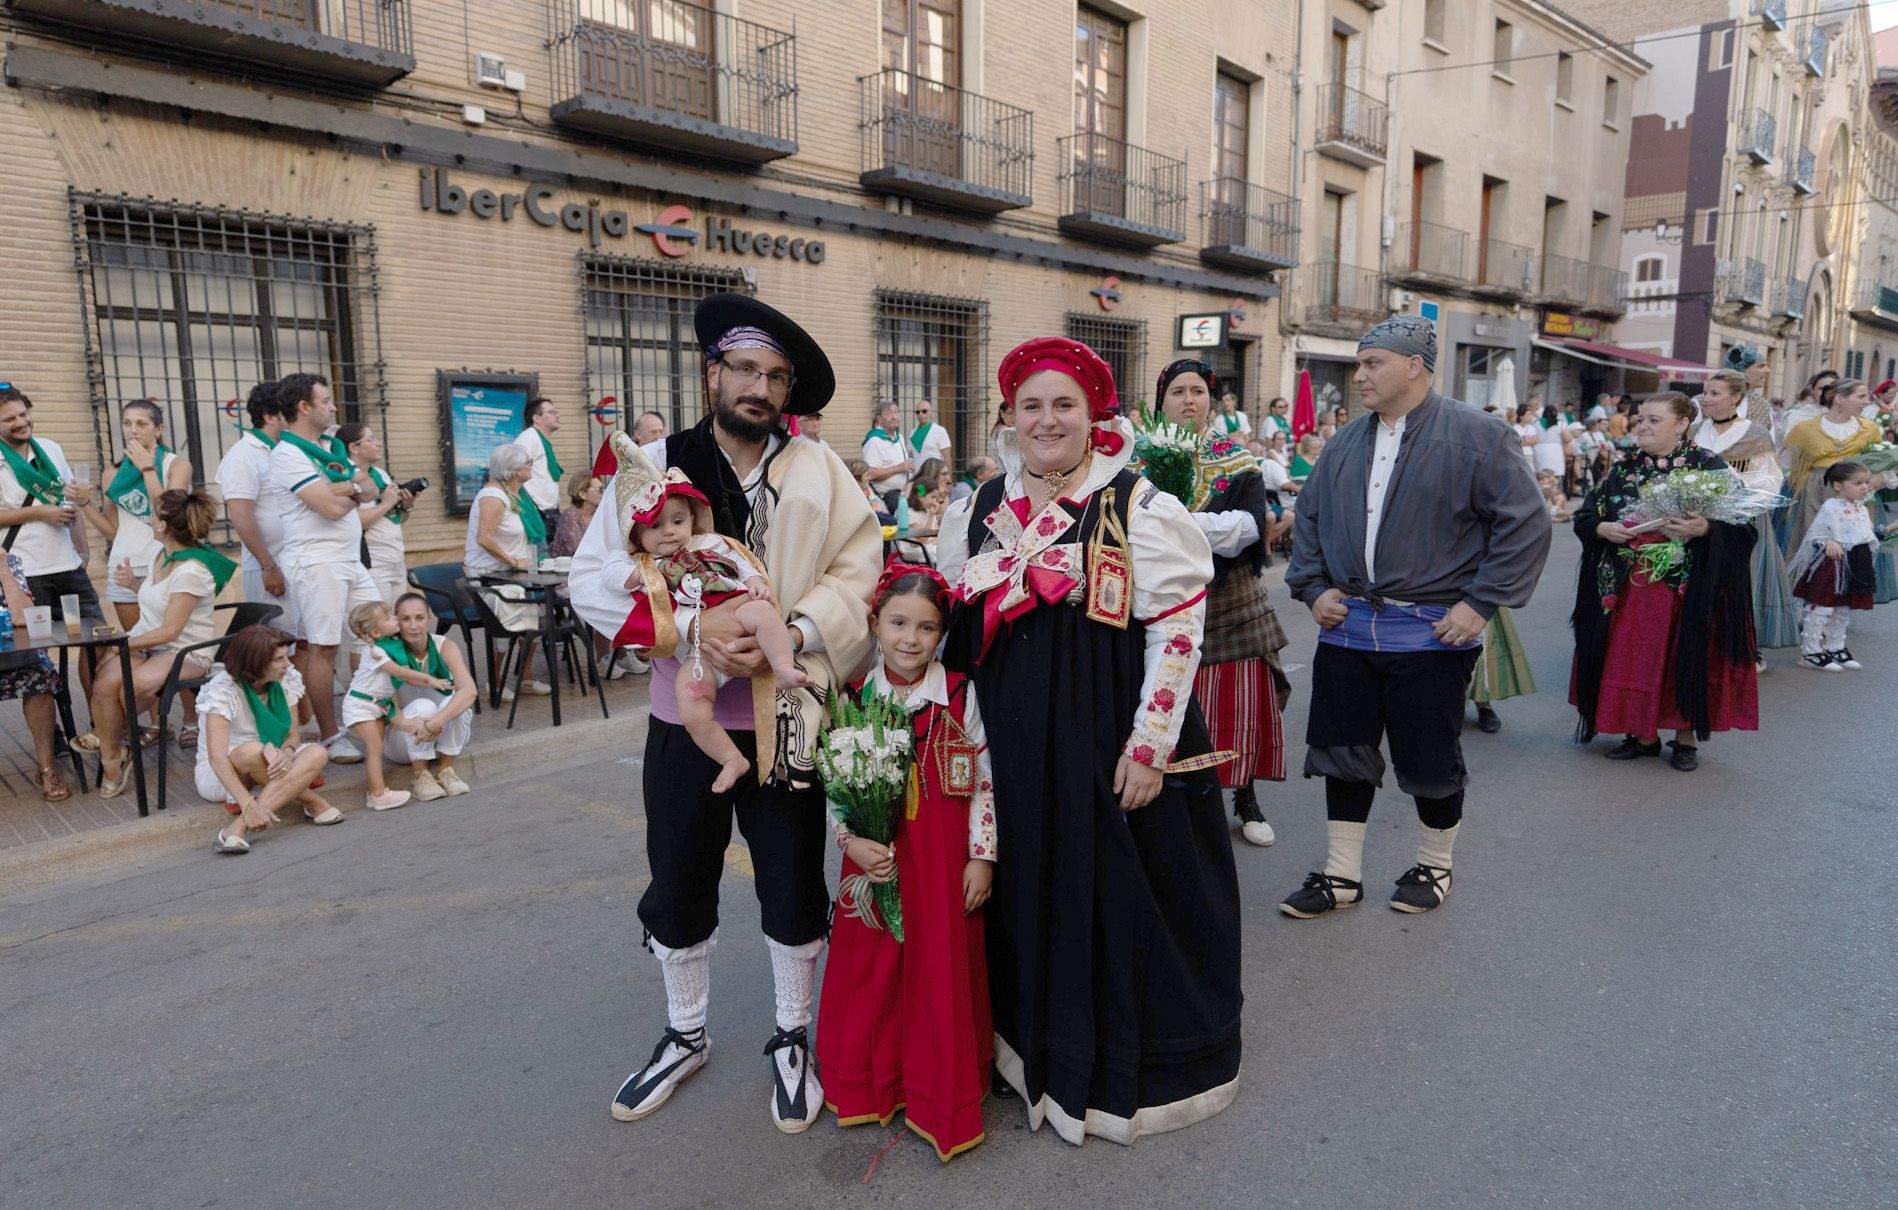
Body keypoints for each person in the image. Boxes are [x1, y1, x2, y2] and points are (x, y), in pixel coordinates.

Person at [570, 294, 879, 1132]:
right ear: (714, 373)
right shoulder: (656, 464)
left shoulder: (821, 468)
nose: (760, 387)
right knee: (678, 875)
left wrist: (803, 629)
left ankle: (792, 1035)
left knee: (789, 881)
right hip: (687, 720)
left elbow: (860, 567)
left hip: (786, 722)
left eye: (776, 377)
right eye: (745, 369)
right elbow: (593, 575)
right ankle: (686, 1033)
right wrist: (693, 637)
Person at [936, 336, 1239, 1148]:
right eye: (1030, 405)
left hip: (1108, 738)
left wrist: (1150, 745)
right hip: (1013, 744)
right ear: (1008, 416)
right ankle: (1028, 1053)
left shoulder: (1138, 504)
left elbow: (1178, 627)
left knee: (1117, 895)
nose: (1047, 420)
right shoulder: (977, 506)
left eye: (1063, 404)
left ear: (1093, 413)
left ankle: (1109, 1076)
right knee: (1029, 891)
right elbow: (956, 634)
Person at [1282, 315, 1551, 918]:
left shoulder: (1478, 435)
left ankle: (1434, 866)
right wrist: (1313, 587)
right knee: (1343, 751)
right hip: (1348, 630)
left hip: (1431, 636)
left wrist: (1481, 603)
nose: (1360, 376)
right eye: (1359, 363)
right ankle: (1341, 875)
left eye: (1372, 363)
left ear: (1414, 366)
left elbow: (1525, 523)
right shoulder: (1345, 442)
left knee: (1429, 757)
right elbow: (1311, 521)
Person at [815, 561, 996, 1163]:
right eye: (897, 623)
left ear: (942, 633)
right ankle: (869, 1085)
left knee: (937, 969)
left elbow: (985, 784)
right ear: (874, 622)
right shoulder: (853, 695)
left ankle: (938, 1095)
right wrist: (851, 843)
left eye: (926, 627)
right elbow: (836, 786)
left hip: (943, 862)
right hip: (875, 860)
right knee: (873, 969)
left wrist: (981, 858)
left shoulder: (963, 696)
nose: (910, 639)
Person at [609, 438, 814, 794]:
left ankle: (782, 667)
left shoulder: (711, 544)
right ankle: (731, 758)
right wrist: (636, 572)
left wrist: (755, 585)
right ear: (637, 534)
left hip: (739, 610)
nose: (669, 531)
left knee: (764, 614)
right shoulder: (647, 565)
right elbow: (611, 580)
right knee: (690, 704)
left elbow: (746, 566)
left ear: (694, 518)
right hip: (701, 653)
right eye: (656, 526)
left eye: (678, 520)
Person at [1570, 392, 1758, 773]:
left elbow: (1744, 528)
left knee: (1681, 658)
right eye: (1640, 419)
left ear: (1682, 423)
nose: (1642, 426)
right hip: (1629, 587)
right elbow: (1587, 514)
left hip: (1685, 590)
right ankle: (1642, 735)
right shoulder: (1625, 467)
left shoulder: (1708, 466)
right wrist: (1602, 528)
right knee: (1633, 660)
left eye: (1654, 420)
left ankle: (1684, 738)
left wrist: (1705, 527)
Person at [1152, 358, 1288, 847]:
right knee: (1166, 701)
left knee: (1235, 703)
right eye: (1177, 392)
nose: (1189, 400)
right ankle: (1176, 798)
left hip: (1226, 598)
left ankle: (1245, 796)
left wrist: (1175, 526)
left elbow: (1249, 528)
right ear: (1161, 400)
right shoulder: (1133, 461)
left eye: (1198, 391)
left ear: (1211, 401)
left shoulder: (1238, 460)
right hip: (1157, 601)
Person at [75, 488, 230, 796]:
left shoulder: (191, 570)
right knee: (105, 683)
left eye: (152, 514)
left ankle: (108, 739)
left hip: (186, 650)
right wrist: (133, 584)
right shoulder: (161, 556)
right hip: (150, 643)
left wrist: (123, 645)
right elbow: (158, 603)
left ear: (163, 526)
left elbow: (170, 631)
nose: (147, 517)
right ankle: (114, 758)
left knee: (135, 686)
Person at [268, 372, 387, 762]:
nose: (334, 407)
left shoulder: (331, 447)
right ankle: (330, 736)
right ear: (304, 408)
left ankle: (369, 715)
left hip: (350, 557)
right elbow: (330, 507)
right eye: (326, 401)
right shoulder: (288, 455)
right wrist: (350, 489)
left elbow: (371, 488)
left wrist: (347, 488)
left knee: (379, 631)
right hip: (316, 560)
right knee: (324, 648)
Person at [197, 624, 337, 854]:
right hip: (222, 773)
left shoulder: (285, 679)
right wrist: (247, 804)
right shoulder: (222, 690)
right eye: (279, 659)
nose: (288, 664)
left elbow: (292, 735)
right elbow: (217, 758)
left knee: (318, 753)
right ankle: (312, 802)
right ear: (256, 663)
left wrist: (288, 753)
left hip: (271, 760)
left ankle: (236, 828)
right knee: (251, 751)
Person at [1694, 369, 1798, 656]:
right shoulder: (1693, 432)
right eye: (1706, 392)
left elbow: (1769, 480)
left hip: (1741, 520)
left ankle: (1744, 647)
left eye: (1715, 393)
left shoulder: (1755, 433)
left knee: (1741, 581)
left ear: (1736, 397)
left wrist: (1732, 500)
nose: (1707, 399)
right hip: (1698, 521)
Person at [74, 400, 192, 630]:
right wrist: (84, 503)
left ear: (158, 429)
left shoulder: (177, 465)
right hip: (124, 565)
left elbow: (167, 513)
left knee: (169, 639)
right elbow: (112, 530)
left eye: (141, 423)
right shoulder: (112, 473)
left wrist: (148, 469)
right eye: (127, 423)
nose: (133, 430)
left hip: (163, 563)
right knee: (137, 642)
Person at [339, 600, 460, 811]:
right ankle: (379, 795)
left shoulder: (389, 645)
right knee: (374, 748)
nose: (394, 619)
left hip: (378, 704)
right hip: (361, 704)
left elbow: (402, 679)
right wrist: (429, 679)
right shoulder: (376, 652)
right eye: (389, 618)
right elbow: (400, 673)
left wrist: (430, 681)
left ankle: (373, 793)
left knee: (375, 746)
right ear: (376, 632)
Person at [0, 385, 102, 625]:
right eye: (10, 419)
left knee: (97, 641)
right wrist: (39, 512)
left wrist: (83, 553)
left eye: (24, 414)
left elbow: (69, 504)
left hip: (68, 565)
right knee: (34, 649)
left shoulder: (50, 448)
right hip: (24, 572)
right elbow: (49, 511)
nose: (21, 422)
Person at [217, 381, 302, 664]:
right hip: (271, 567)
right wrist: (269, 566)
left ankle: (306, 710)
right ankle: (286, 709)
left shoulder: (288, 450)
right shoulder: (243, 456)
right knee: (277, 651)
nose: (294, 418)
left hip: (297, 564)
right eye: (288, 412)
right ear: (269, 416)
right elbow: (241, 516)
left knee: (302, 644)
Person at [463, 443, 550, 699]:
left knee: (537, 613)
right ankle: (494, 681)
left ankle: (526, 678)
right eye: (528, 462)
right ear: (514, 469)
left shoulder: (511, 494)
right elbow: (484, 538)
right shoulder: (493, 497)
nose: (531, 465)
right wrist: (513, 561)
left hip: (509, 574)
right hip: (487, 576)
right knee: (511, 620)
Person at [380, 592, 479, 800]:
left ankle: (445, 770)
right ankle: (421, 775)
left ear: (429, 619)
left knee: (458, 704)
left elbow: (469, 691)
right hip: (401, 737)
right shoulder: (385, 652)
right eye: (406, 619)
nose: (414, 625)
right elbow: (391, 709)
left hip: (435, 730)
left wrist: (434, 724)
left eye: (419, 617)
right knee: (423, 705)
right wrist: (419, 725)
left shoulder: (444, 645)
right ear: (396, 621)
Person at [1787, 461, 1879, 671]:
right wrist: (1828, 541)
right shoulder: (1830, 507)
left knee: (1845, 605)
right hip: (1832, 564)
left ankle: (1835, 646)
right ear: (1838, 486)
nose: (1864, 487)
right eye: (1858, 483)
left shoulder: (1862, 509)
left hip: (1856, 560)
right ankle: (1811, 651)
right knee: (1822, 605)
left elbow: (1865, 533)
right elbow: (1817, 533)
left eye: (1866, 482)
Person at [0, 549, 72, 801]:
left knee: (39, 677)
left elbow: (23, 617)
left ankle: (47, 769)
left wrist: (2, 568)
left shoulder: (10, 562)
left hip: (15, 657)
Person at [1782, 378, 1880, 552]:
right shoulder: (1805, 429)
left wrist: (1875, 479)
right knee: (1813, 545)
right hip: (1814, 494)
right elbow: (1791, 467)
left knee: (1853, 548)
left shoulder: (1869, 429)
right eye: (1861, 396)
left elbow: (1876, 463)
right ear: (1839, 398)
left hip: (1854, 495)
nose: (1867, 401)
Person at [336, 423, 413, 608]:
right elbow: (355, 522)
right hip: (372, 562)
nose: (378, 444)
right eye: (371, 439)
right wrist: (387, 503)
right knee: (377, 621)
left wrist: (406, 506)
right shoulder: (346, 476)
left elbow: (395, 519)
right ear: (354, 447)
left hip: (395, 556)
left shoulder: (380, 474)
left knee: (396, 622)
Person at [512, 395, 565, 537]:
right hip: (535, 511)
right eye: (552, 412)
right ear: (537, 418)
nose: (557, 416)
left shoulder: (542, 440)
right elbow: (515, 470)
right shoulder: (528, 438)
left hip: (548, 511)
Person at [861, 400, 910, 513]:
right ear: (878, 419)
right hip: (887, 497)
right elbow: (870, 474)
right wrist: (898, 468)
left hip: (904, 491)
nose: (894, 417)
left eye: (896, 412)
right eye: (888, 414)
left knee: (926, 493)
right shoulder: (874, 441)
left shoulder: (899, 438)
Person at [551, 469, 602, 559]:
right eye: (599, 490)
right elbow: (578, 549)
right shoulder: (570, 515)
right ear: (583, 494)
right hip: (565, 569)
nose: (603, 494)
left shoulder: (598, 515)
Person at [908, 398, 951, 473]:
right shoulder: (912, 433)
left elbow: (947, 457)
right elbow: (910, 456)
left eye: (924, 411)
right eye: (918, 412)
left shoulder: (940, 431)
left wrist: (949, 478)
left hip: (935, 475)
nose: (921, 414)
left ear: (930, 412)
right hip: (917, 476)